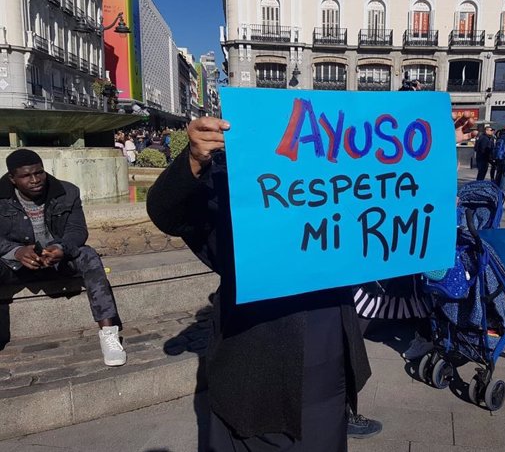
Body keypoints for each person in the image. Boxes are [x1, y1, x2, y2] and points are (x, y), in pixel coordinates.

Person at [146, 118, 375, 451]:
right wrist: (194, 160)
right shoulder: (232, 185)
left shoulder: (335, 184)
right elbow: (167, 212)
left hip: (327, 355)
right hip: (256, 356)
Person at [0, 150, 126, 366]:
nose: (35, 180)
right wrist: (16, 252)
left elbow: (77, 231)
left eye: (39, 172)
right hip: (15, 265)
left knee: (88, 254)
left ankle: (108, 334)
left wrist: (60, 248)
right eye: (26, 176)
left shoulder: (67, 191)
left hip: (57, 260)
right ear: (12, 178)